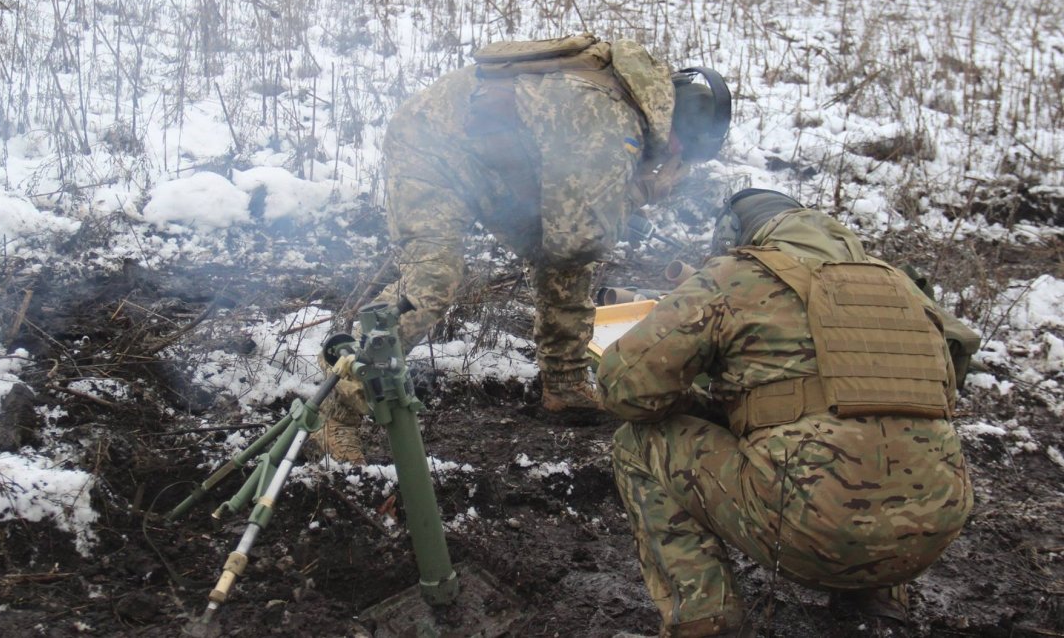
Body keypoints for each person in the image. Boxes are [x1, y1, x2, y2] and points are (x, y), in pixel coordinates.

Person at [313, 35, 731, 464]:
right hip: (432, 150)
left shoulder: (632, 99)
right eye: (683, 155)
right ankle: (336, 411)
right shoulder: (608, 120)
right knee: (432, 279)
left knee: (566, 263)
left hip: (499, 166)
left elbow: (569, 239)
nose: (674, 162)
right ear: (678, 135)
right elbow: (579, 237)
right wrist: (640, 190)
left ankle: (565, 385)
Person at [597, 189, 978, 638]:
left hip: (810, 532)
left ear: (739, 236)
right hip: (931, 532)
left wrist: (711, 397)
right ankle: (875, 605)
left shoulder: (736, 275)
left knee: (637, 443)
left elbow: (624, 388)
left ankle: (703, 619)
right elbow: (947, 379)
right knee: (888, 434)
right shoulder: (901, 285)